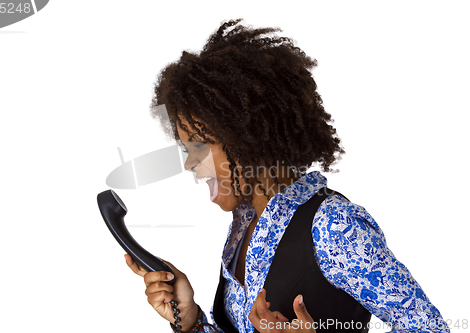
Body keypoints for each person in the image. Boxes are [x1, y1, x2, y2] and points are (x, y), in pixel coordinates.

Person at [123, 19, 449, 333]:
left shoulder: (333, 226)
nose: (189, 164)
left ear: (245, 137)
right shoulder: (243, 224)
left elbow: (430, 328)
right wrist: (191, 319)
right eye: (186, 148)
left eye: (199, 146)